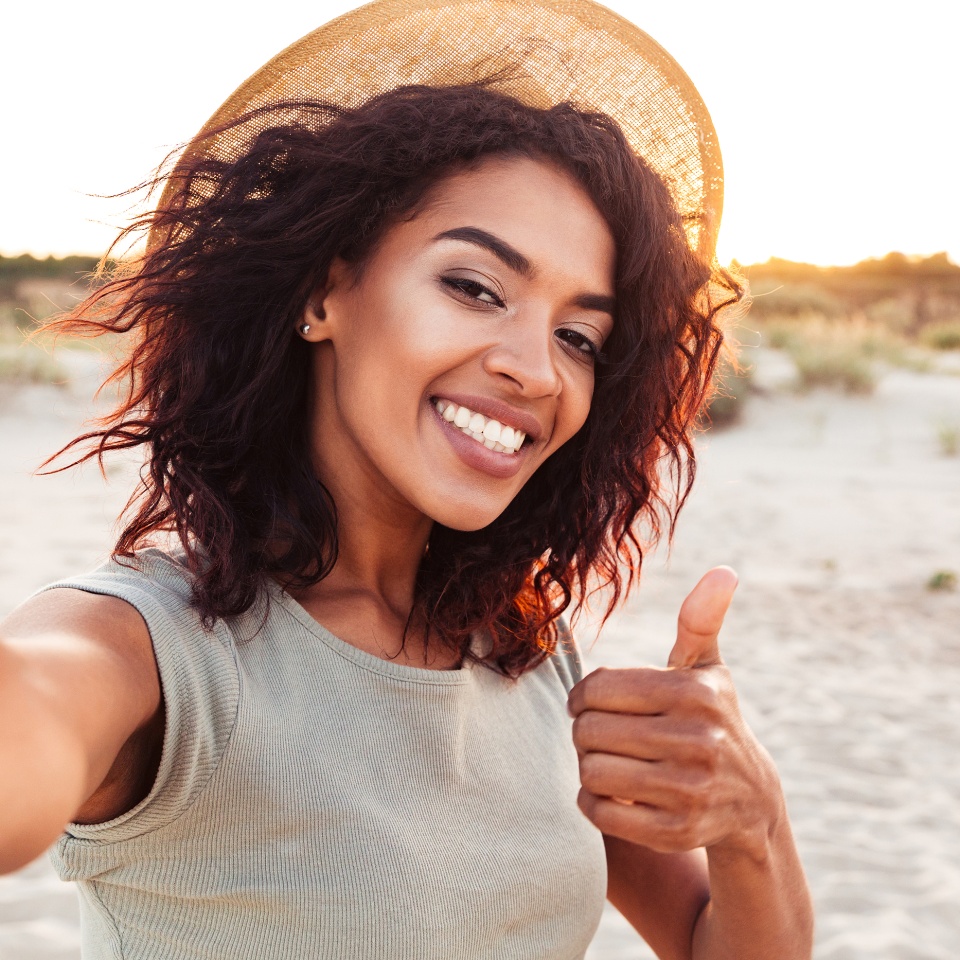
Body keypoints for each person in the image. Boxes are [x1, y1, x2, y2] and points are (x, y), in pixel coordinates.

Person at [0, 1, 814, 957]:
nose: (536, 369)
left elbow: (715, 942)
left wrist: (752, 820)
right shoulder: (150, 650)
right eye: (475, 287)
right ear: (322, 293)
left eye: (578, 336)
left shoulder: (528, 652)